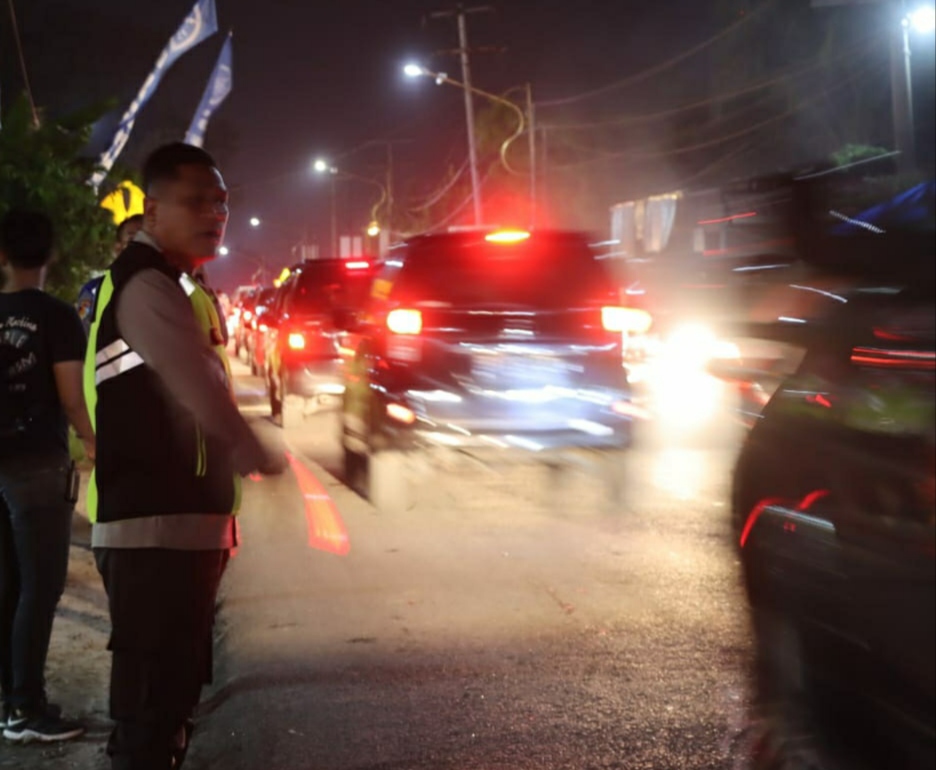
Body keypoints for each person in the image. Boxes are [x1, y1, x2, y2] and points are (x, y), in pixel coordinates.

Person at [83, 143, 285, 770]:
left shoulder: (173, 281)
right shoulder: (145, 285)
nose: (214, 213)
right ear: (152, 208)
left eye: (221, 201)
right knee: (150, 713)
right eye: (196, 200)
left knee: (168, 707)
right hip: (153, 528)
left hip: (178, 527)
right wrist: (256, 450)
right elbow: (192, 384)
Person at [0, 209, 93, 743]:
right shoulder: (57, 317)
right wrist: (93, 440)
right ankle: (26, 710)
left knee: (7, 585)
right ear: (51, 255)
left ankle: (10, 702)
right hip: (37, 462)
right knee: (40, 586)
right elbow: (70, 397)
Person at [76, 214, 143, 335]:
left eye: (145, 240)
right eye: (132, 240)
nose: (141, 247)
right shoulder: (92, 290)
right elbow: (81, 333)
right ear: (118, 248)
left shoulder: (165, 287)